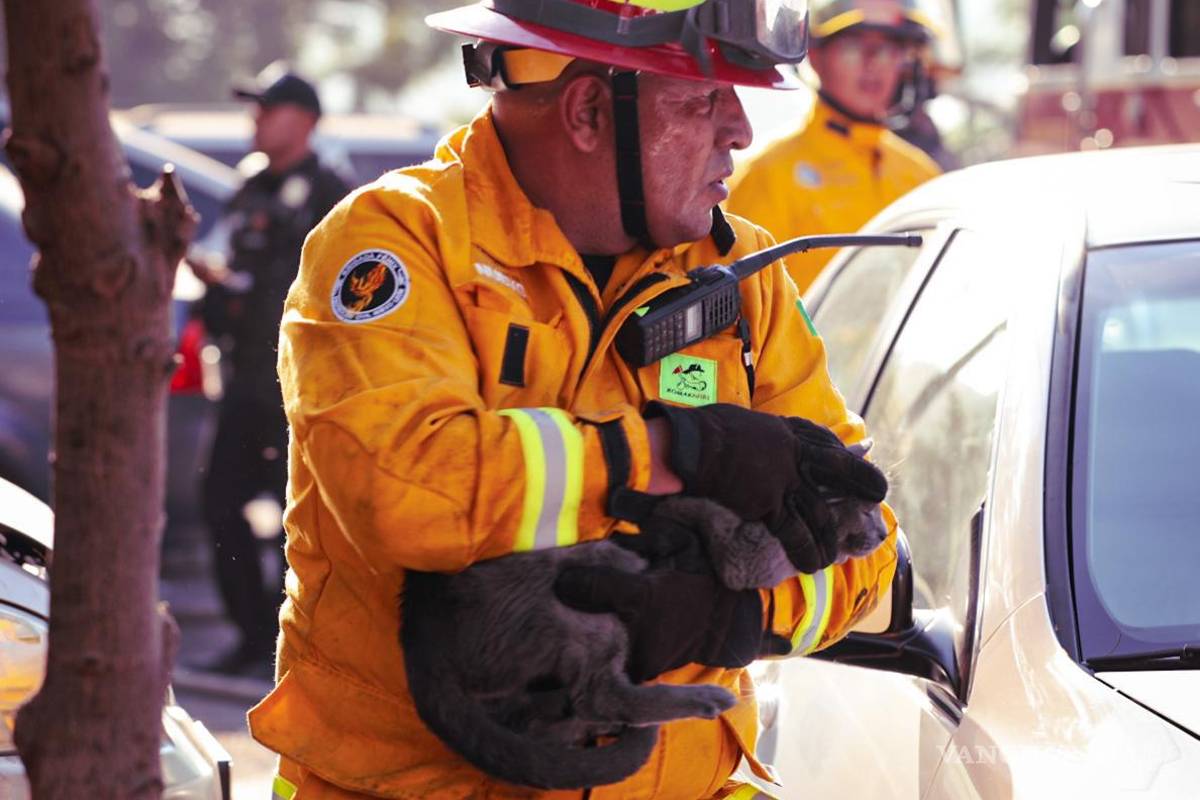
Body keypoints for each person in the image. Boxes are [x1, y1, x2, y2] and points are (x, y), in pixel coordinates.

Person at [248, 2, 899, 797]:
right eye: (702, 98)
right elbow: (412, 491)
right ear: (590, 110)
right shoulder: (398, 242)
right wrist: (670, 454)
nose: (739, 130)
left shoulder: (744, 276)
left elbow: (869, 550)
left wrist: (724, 618)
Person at [187, 68, 350, 675]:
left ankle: (298, 642)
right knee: (220, 503)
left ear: (304, 121)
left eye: (267, 110)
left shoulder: (331, 192)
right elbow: (228, 264)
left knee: (300, 518)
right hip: (244, 382)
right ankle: (254, 635)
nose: (255, 121)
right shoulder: (250, 185)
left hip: (301, 388)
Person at [727, 0, 942, 295]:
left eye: (889, 47)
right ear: (815, 56)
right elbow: (744, 305)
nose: (873, 63)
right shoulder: (766, 175)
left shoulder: (922, 175)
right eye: (854, 45)